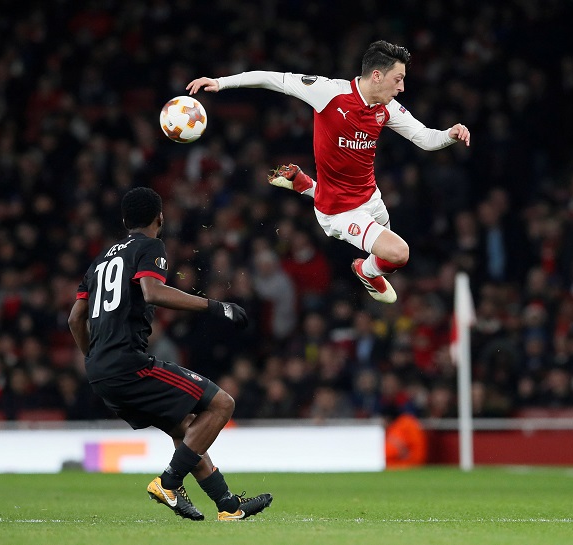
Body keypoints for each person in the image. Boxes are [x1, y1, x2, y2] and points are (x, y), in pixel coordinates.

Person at [187, 40, 471, 304]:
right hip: (339, 212)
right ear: (376, 76)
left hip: (371, 197)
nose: (402, 88)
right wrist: (220, 83)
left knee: (387, 256)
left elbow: (424, 138)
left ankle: (306, 185)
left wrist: (450, 133)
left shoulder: (387, 109)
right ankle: (366, 272)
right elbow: (272, 78)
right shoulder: (329, 92)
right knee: (399, 253)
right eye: (398, 79)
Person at [68, 187, 272, 521]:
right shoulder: (150, 247)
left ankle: (228, 506)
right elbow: (152, 291)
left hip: (100, 369)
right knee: (222, 404)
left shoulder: (100, 260)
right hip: (128, 363)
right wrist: (215, 306)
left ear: (124, 220)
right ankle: (169, 483)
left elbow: (75, 318)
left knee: (186, 428)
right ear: (159, 218)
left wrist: (93, 357)